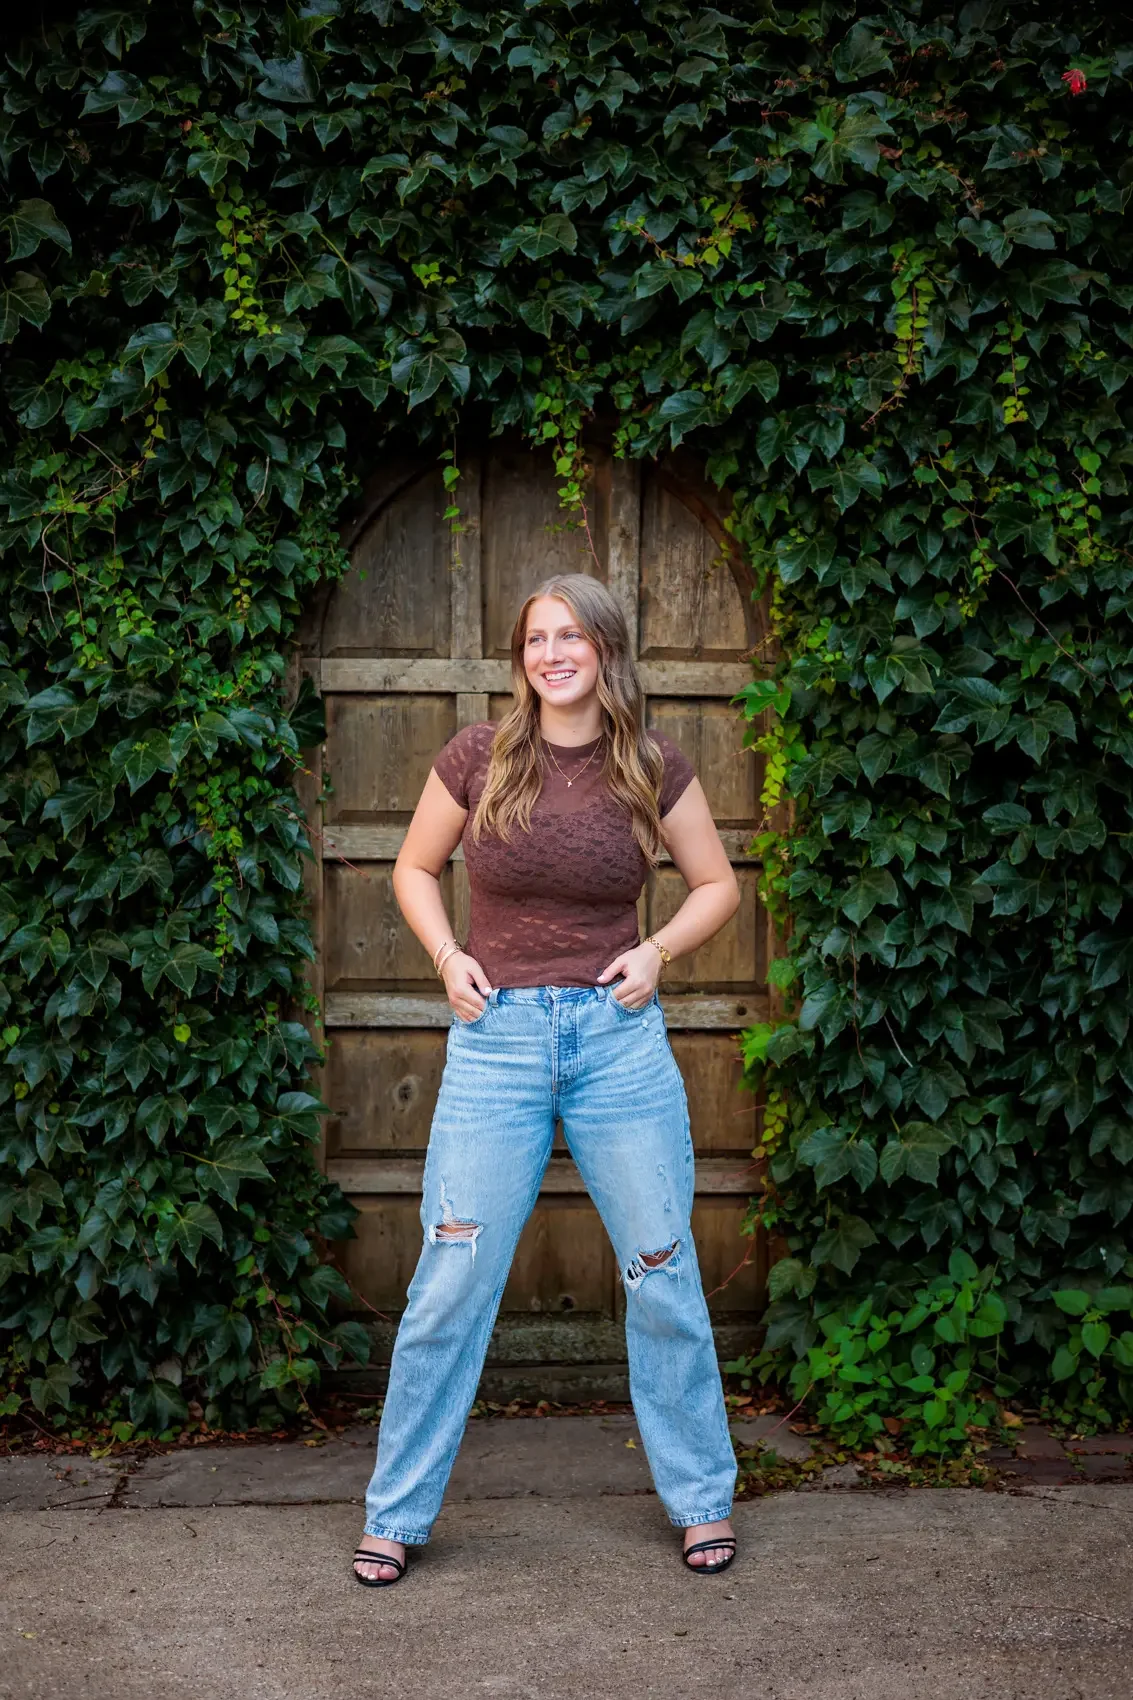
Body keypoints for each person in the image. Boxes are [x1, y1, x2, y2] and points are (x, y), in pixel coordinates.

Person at [352, 572, 742, 1588]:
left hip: (617, 1037)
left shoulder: (650, 763)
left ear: (605, 648)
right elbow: (410, 867)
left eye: (571, 635)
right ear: (519, 654)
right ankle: (394, 1512)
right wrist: (447, 959)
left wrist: (655, 950)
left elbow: (715, 884)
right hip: (497, 1038)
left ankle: (702, 1500)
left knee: (660, 1274)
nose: (551, 652)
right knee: (451, 1278)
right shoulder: (479, 755)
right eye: (535, 637)